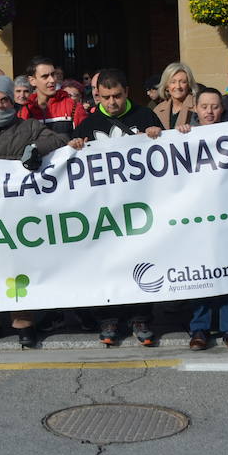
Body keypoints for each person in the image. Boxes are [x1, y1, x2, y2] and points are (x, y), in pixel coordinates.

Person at [0, 75, 82, 346]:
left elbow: (58, 140)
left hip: (18, 211)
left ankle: (23, 321)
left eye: (4, 99)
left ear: (12, 102)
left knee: (18, 263)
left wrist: (36, 148)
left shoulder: (29, 126)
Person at [71, 68, 164, 346]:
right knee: (107, 263)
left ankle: (140, 316)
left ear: (127, 92)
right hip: (105, 211)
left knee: (140, 259)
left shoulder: (145, 116)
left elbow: (169, 155)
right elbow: (71, 161)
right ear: (98, 95)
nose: (112, 102)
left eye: (118, 96)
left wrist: (158, 134)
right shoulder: (89, 124)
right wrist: (74, 144)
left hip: (140, 207)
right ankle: (108, 317)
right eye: (107, 97)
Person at [178, 87, 228, 352]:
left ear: (221, 109)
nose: (210, 111)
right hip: (196, 216)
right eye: (204, 107)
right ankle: (199, 328)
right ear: (196, 109)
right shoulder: (182, 136)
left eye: (214, 106)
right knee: (199, 271)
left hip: (227, 213)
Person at [21, 56, 88, 137]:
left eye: (53, 74)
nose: (52, 80)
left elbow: (85, 142)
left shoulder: (73, 107)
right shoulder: (25, 111)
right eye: (45, 76)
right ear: (32, 81)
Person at [152, 62, 198, 130]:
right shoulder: (158, 110)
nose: (178, 86)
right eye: (173, 82)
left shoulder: (198, 106)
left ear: (189, 85)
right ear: (167, 86)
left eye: (183, 82)